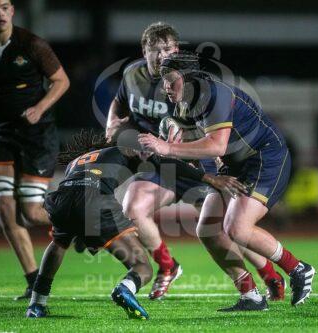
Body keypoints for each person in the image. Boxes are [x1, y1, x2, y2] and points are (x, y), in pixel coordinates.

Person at [106, 21, 285, 301]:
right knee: (132, 206)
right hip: (161, 163)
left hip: (198, 161)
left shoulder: (186, 80)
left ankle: (269, 274)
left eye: (168, 48)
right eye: (156, 49)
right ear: (145, 51)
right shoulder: (133, 75)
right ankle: (167, 267)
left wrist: (187, 141)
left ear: (177, 50)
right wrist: (112, 123)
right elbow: (119, 102)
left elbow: (207, 124)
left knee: (225, 225)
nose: (163, 54)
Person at [138, 52, 316, 309]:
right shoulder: (185, 101)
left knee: (237, 227)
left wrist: (166, 148)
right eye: (163, 80)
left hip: (265, 157)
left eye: (171, 79)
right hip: (234, 164)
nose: (165, 86)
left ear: (188, 78)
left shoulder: (215, 95)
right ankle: (250, 295)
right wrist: (172, 133)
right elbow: (197, 143)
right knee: (208, 228)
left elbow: (216, 145)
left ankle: (298, 269)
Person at [25, 130, 247, 319]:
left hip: (59, 201)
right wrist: (208, 178)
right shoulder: (123, 150)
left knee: (58, 243)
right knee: (143, 268)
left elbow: (77, 199)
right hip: (94, 202)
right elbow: (164, 163)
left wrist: (85, 235)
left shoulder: (76, 162)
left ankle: (37, 303)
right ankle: (125, 288)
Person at [0, 0, 70, 300]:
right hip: (2, 133)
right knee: (6, 210)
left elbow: (62, 81)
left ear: (12, 11)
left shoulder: (32, 44)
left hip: (37, 134)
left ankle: (79, 219)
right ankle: (34, 280)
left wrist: (40, 107)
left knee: (32, 213)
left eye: (5, 6)